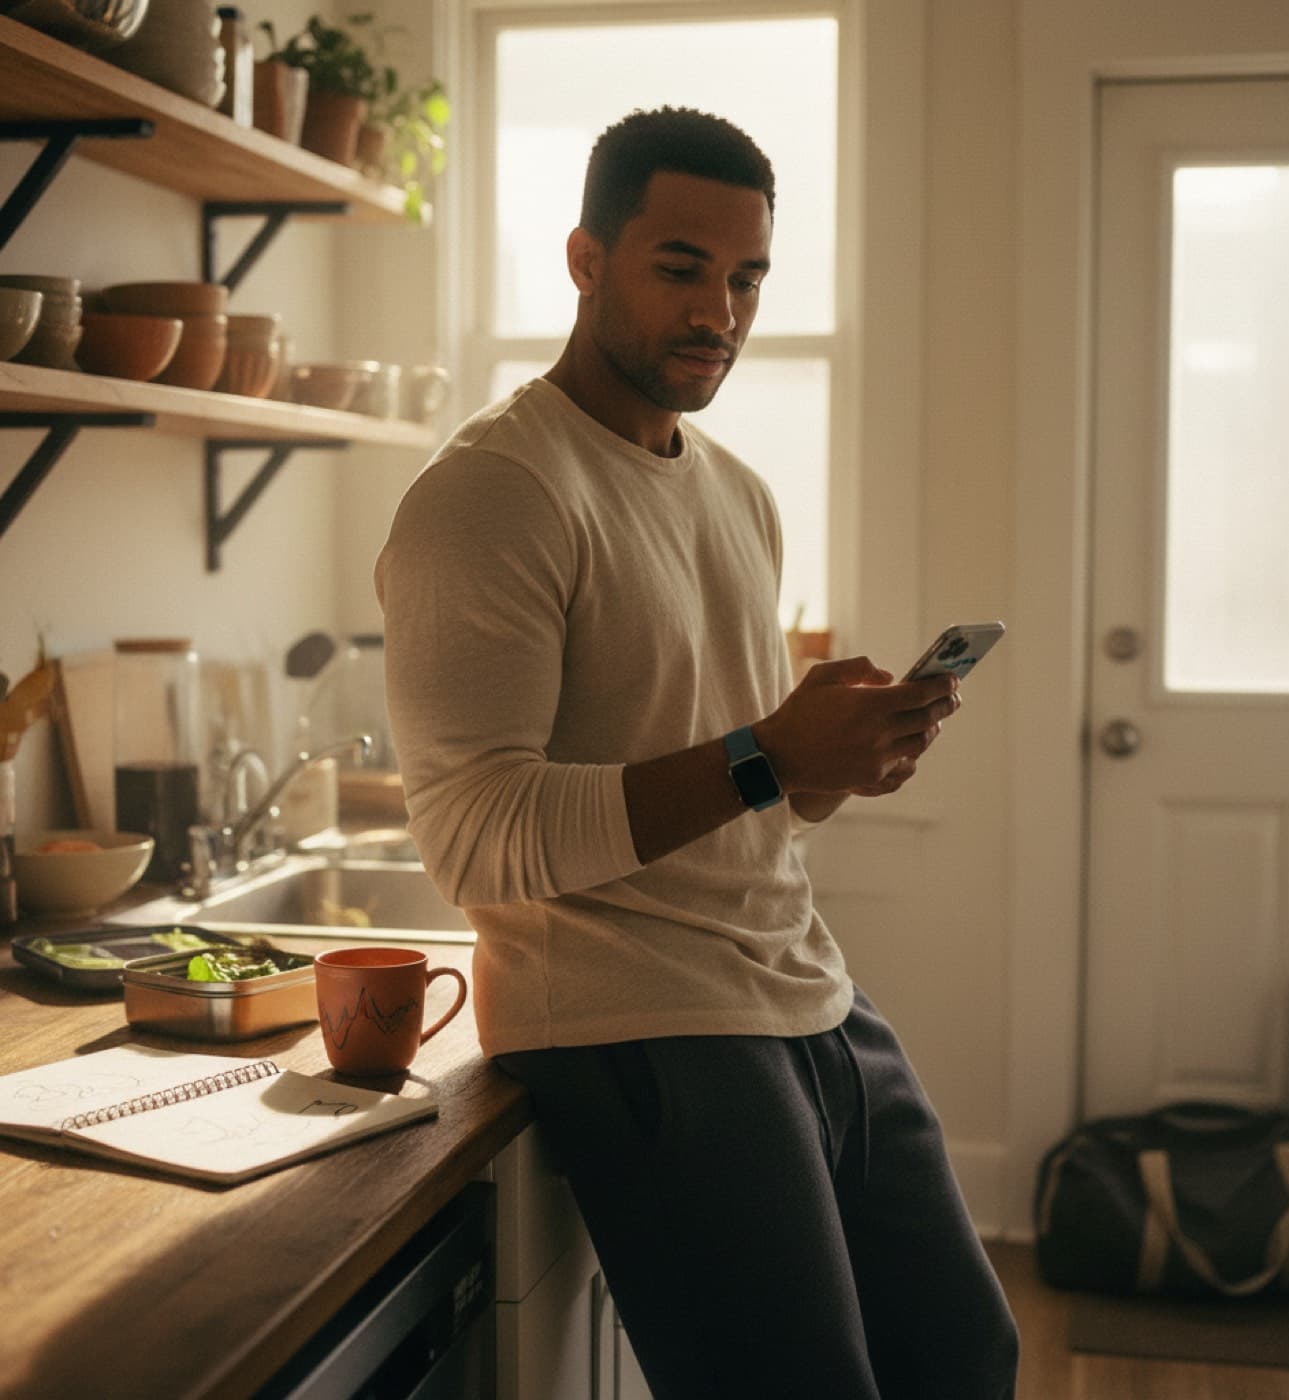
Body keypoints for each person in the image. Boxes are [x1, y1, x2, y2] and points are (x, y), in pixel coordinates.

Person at [376, 106, 1018, 1399]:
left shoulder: (737, 493)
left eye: (747, 278)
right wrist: (771, 754)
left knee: (967, 1354)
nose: (719, 311)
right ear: (585, 260)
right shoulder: (494, 493)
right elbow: (475, 841)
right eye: (681, 268)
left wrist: (829, 765)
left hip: (804, 985)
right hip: (638, 1018)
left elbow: (744, 785)